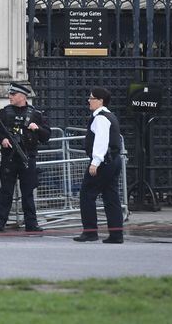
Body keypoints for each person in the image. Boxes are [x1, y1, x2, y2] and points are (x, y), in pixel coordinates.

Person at [0, 82, 50, 234]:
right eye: (10, 94)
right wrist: (2, 140)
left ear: (23, 96)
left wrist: (37, 129)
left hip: (27, 158)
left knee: (28, 192)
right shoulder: (4, 112)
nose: (10, 97)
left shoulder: (35, 114)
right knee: (6, 192)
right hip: (9, 159)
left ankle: (31, 223)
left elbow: (46, 136)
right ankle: (0, 222)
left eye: (13, 94)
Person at [74, 87, 125, 243]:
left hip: (103, 161)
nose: (89, 101)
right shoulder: (110, 116)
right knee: (111, 197)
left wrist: (95, 162)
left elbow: (101, 142)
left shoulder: (101, 118)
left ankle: (90, 232)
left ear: (100, 100)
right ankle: (116, 234)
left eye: (91, 98)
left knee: (87, 195)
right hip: (113, 160)